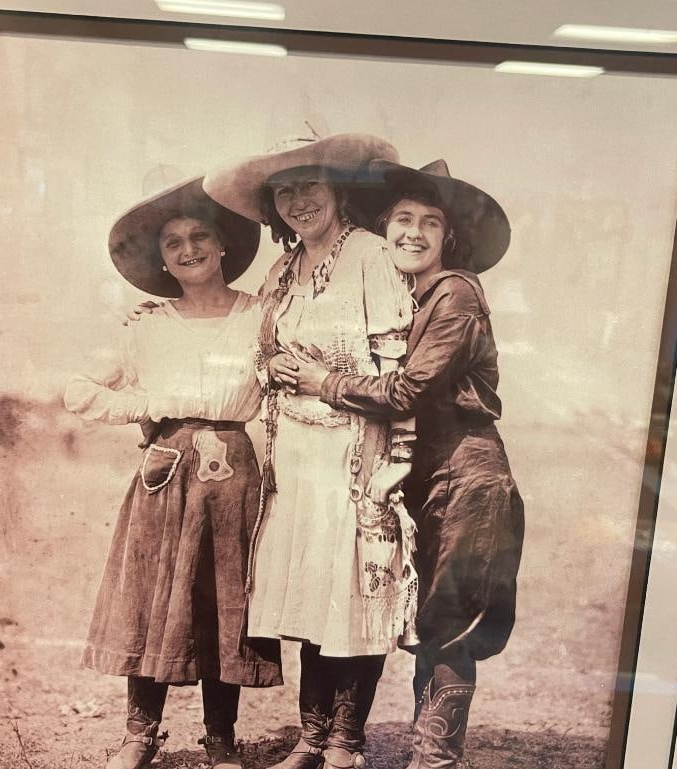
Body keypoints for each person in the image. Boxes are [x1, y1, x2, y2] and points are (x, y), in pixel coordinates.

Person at [287, 160, 525, 769]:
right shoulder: (404, 299)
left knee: (451, 620)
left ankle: (434, 758)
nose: (414, 232)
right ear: (384, 228)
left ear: (450, 238)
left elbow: (406, 391)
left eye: (431, 222)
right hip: (420, 475)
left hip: (469, 473)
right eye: (402, 219)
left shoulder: (456, 292)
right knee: (420, 616)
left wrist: (324, 381)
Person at [203, 133, 418, 769]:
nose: (299, 201)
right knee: (311, 594)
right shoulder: (283, 270)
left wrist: (397, 462)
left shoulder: (372, 256)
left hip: (357, 450)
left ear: (337, 188)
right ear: (272, 205)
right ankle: (311, 739)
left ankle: (347, 742)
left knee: (353, 592)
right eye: (285, 191)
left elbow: (397, 369)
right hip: (295, 454)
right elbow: (256, 348)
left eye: (310, 184)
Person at [64, 171, 282, 769]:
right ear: (161, 258)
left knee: (224, 601)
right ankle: (140, 734)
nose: (189, 249)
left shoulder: (262, 318)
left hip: (235, 472)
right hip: (165, 471)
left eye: (199, 235)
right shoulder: (147, 325)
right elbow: (78, 390)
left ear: (223, 245)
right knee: (154, 596)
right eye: (172, 242)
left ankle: (221, 739)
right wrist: (149, 406)